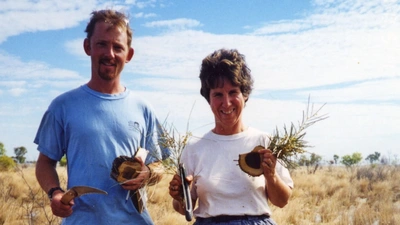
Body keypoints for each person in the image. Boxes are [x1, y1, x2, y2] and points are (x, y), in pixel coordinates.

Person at [34, 9, 169, 225]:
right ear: (88, 47)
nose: (110, 53)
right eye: (102, 44)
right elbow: (44, 163)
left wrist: (147, 173)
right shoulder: (63, 106)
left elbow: (160, 165)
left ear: (129, 54)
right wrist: (55, 193)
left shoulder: (143, 108)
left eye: (118, 47)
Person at [168, 49, 294, 225]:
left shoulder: (265, 142)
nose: (226, 103)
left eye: (233, 92)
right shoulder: (194, 148)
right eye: (218, 94)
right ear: (208, 99)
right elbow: (184, 209)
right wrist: (180, 196)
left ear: (245, 95)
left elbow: (282, 201)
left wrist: (271, 175)